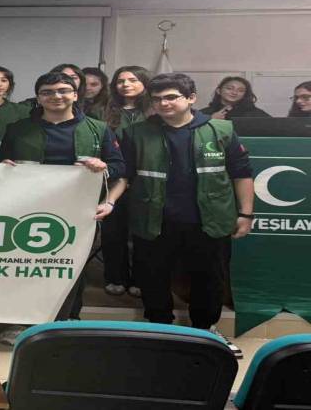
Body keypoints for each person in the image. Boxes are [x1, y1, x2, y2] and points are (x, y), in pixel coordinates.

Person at [121, 73, 254, 357]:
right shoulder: (137, 132)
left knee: (209, 277)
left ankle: (205, 330)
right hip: (154, 219)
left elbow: (242, 173)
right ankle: (159, 329)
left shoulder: (220, 130)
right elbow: (123, 174)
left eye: (171, 97)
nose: (163, 103)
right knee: (152, 276)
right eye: (157, 99)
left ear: (191, 98)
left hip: (208, 219)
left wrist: (245, 213)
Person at [0, 72, 126, 346]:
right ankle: (19, 321)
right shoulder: (18, 129)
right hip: (25, 211)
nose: (56, 96)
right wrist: (4, 167)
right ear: (38, 97)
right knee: (24, 267)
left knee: (70, 269)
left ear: (75, 95)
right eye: (48, 92)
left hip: (78, 213)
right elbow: (1, 165)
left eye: (63, 91)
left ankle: (66, 321)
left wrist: (103, 166)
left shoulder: (98, 129)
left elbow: (119, 167)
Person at [102, 65, 152, 298]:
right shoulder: (103, 111)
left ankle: (141, 279)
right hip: (113, 178)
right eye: (121, 81)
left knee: (144, 233)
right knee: (113, 232)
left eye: (132, 80)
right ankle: (115, 277)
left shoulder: (155, 110)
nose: (126, 85)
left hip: (147, 179)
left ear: (144, 83)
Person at [200, 76, 271, 119]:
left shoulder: (255, 114)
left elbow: (274, 129)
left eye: (240, 90)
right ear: (219, 91)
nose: (234, 92)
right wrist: (209, 120)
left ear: (245, 94)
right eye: (229, 88)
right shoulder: (204, 113)